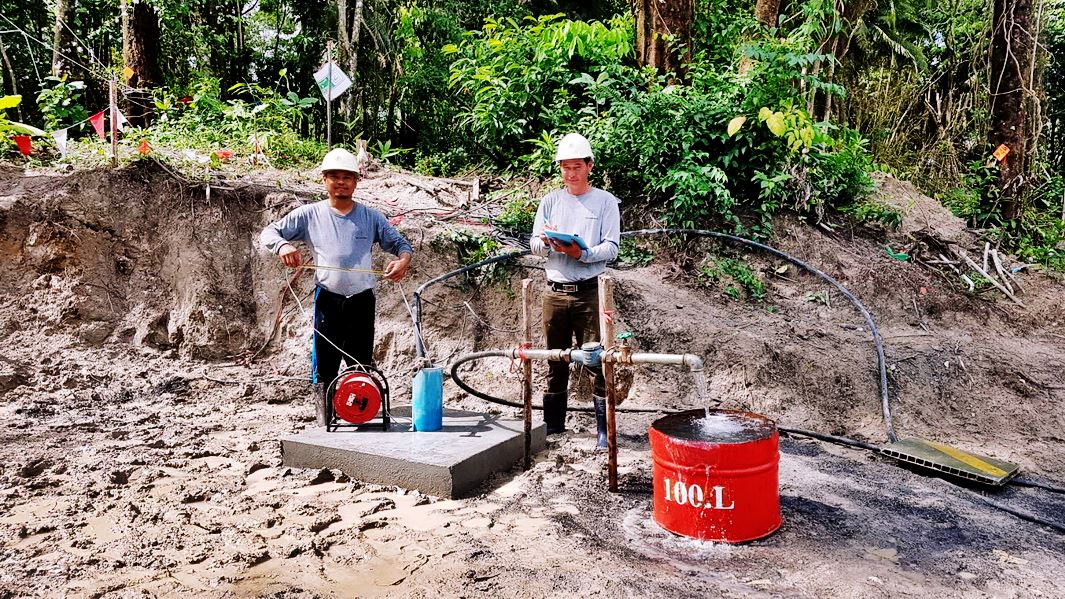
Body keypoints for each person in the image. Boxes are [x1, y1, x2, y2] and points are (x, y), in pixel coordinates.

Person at [261, 147, 413, 423]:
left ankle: (358, 413)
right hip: (328, 299)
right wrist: (283, 245)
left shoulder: (371, 217)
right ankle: (325, 418)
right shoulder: (309, 214)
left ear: (356, 181)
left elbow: (402, 245)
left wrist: (403, 261)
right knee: (325, 362)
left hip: (362, 300)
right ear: (324, 179)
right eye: (334, 176)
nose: (341, 182)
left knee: (360, 362)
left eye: (347, 177)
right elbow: (269, 232)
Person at [529, 133, 621, 448]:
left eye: (577, 167)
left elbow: (611, 246)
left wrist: (583, 253)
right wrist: (545, 242)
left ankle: (602, 431)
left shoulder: (605, 201)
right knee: (555, 358)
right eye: (565, 168)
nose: (571, 174)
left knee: (597, 358)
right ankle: (553, 426)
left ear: (589, 166)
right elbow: (534, 244)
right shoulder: (550, 201)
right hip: (554, 291)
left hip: (590, 291)